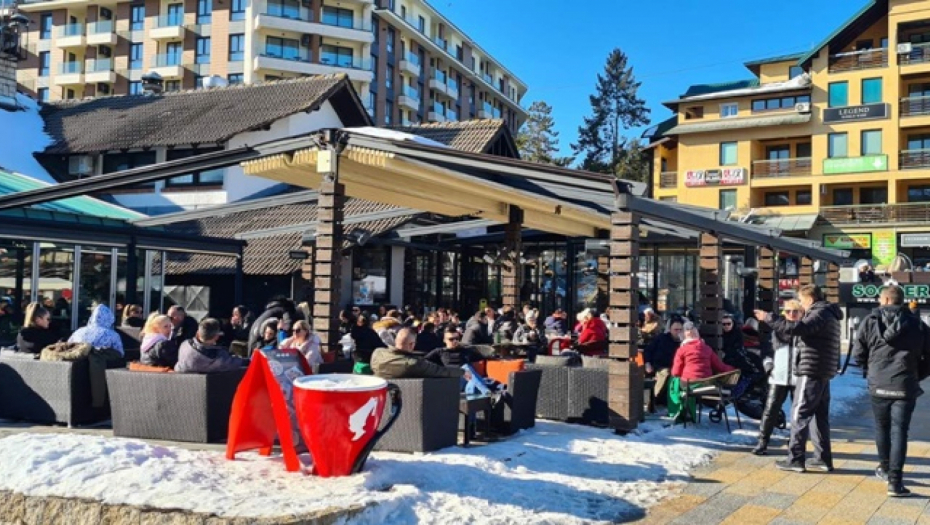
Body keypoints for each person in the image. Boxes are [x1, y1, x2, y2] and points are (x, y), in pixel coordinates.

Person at [755, 284, 843, 473]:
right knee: (819, 416)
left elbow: (799, 328)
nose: (801, 306)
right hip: (821, 370)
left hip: (811, 370)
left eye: (802, 302)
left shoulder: (818, 313)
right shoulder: (828, 313)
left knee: (799, 413)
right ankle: (822, 458)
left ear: (810, 299)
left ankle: (795, 459)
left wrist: (768, 317)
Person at [853, 285, 930, 497]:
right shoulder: (918, 325)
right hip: (904, 384)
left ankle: (885, 468)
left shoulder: (870, 321)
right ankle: (895, 482)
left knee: (881, 427)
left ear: (886, 300)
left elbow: (859, 353)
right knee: (900, 432)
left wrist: (871, 370)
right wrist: (917, 375)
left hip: (878, 383)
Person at [753, 300, 803, 456]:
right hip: (778, 376)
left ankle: (794, 442)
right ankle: (762, 442)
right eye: (788, 311)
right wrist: (769, 367)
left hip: (799, 377)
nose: (792, 314)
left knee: (798, 413)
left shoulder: (805, 330)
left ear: (801, 313)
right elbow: (766, 351)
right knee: (770, 410)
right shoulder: (776, 331)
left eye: (795, 311)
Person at [370, 327, 465, 379]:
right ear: (412, 345)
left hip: (383, 395)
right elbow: (441, 371)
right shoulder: (413, 364)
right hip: (414, 396)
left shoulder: (377, 353)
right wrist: (463, 372)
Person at [175, 318, 247, 373]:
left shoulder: (184, 346)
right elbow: (239, 363)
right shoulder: (218, 358)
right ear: (216, 337)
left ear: (197, 333)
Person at [644, 319, 684, 403]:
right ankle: (655, 397)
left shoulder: (684, 342)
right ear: (670, 330)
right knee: (665, 372)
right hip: (660, 367)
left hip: (679, 368)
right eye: (676, 330)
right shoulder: (661, 338)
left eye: (680, 330)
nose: (678, 332)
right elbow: (648, 350)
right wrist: (647, 363)